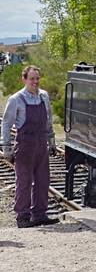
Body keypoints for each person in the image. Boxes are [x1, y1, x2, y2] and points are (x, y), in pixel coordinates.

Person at [1, 65, 59, 228]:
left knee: (43, 180)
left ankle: (40, 214)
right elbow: (6, 124)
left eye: (37, 78)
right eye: (32, 78)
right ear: (24, 79)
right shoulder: (16, 99)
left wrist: (51, 140)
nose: (35, 82)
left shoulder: (44, 97)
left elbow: (48, 120)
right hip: (25, 145)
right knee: (24, 182)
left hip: (41, 144)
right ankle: (23, 217)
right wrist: (6, 148)